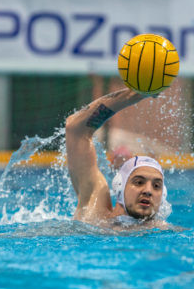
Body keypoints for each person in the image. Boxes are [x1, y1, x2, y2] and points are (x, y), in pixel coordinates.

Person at [65, 87, 171, 229]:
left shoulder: (164, 231)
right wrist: (134, 95)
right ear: (119, 186)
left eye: (156, 186)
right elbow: (75, 128)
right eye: (139, 182)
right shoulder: (94, 213)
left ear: (163, 195)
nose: (148, 190)